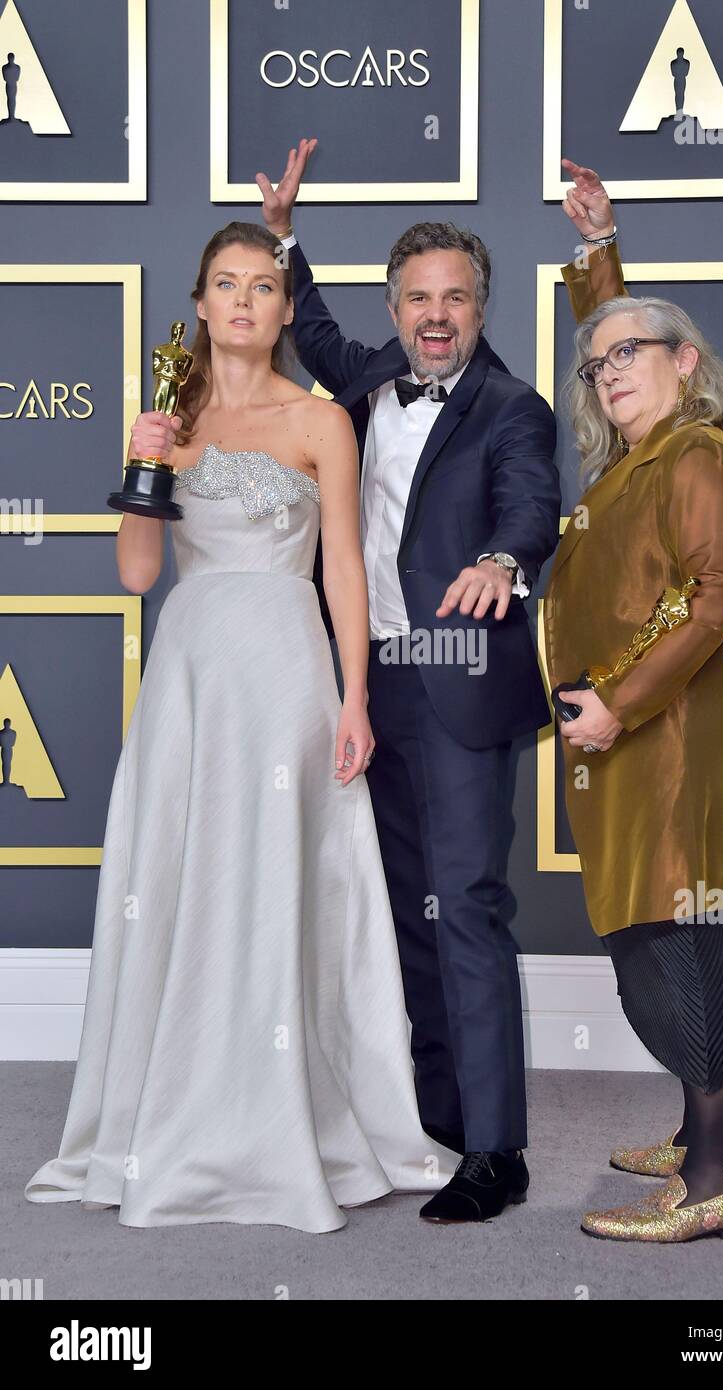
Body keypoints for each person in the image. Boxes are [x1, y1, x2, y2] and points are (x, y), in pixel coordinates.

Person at [24, 220, 456, 1233]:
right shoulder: (166, 418)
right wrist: (142, 468)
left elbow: (345, 568)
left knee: (287, 879)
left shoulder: (319, 423)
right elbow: (137, 573)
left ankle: (289, 1113)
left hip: (288, 671)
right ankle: (170, 1109)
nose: (246, 301)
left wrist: (353, 697)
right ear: (201, 301)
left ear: (279, 305)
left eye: (264, 285)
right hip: (191, 673)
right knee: (181, 877)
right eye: (227, 283)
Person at [256, 141, 561, 1222]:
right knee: (410, 915)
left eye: (456, 298)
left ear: (481, 307)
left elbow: (531, 510)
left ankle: (497, 1153)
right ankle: (435, 1123)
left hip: (460, 687)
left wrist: (502, 561)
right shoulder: (370, 374)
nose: (436, 315)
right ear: (400, 305)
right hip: (371, 688)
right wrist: (286, 237)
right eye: (418, 298)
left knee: (468, 908)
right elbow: (318, 328)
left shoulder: (511, 409)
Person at [544, 162, 723, 1241]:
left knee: (663, 949)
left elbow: (714, 597)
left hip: (667, 732)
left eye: (629, 358)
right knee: (678, 937)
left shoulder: (695, 455)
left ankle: (713, 1177)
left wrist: (617, 704)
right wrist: (599, 251)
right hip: (639, 730)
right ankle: (705, 1133)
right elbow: (620, 338)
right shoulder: (642, 449)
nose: (604, 375)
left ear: (687, 365)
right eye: (594, 368)